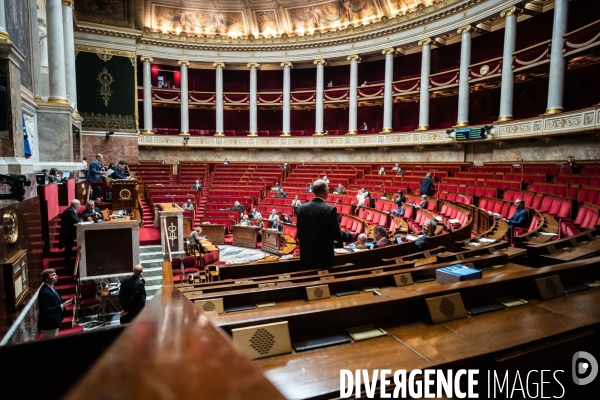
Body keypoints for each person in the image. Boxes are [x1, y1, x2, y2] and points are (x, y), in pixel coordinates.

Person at [297, 180, 357, 269]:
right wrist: (351, 235)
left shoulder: (301, 208)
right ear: (325, 190)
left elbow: (300, 234)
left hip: (306, 256)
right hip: (323, 259)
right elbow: (337, 235)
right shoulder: (330, 210)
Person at [38, 269, 73, 338]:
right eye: (53, 275)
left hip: (54, 322)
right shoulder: (45, 292)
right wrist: (62, 306)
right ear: (47, 279)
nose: (56, 276)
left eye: (55, 274)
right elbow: (45, 310)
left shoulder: (51, 287)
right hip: (49, 325)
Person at [58, 199, 81, 273]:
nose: (80, 206)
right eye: (79, 204)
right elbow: (76, 220)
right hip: (67, 234)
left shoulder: (71, 210)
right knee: (68, 249)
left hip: (69, 233)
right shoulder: (69, 211)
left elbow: (77, 219)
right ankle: (67, 263)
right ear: (75, 205)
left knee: (69, 249)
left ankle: (68, 262)